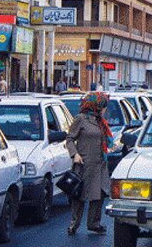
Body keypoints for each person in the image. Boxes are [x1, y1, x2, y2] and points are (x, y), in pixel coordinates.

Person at [66, 92, 113, 236]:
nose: (105, 110)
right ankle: (74, 225)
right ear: (97, 106)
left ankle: (94, 224)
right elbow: (69, 139)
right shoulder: (81, 119)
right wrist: (75, 154)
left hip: (99, 164)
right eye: (104, 106)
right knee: (79, 195)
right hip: (84, 163)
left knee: (99, 194)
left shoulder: (100, 121)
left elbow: (103, 139)